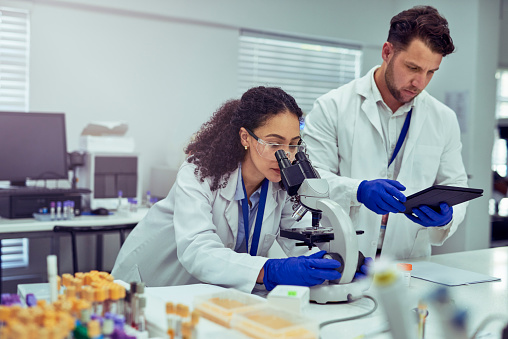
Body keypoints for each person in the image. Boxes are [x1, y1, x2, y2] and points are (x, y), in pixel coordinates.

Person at [112, 86, 367, 292]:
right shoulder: (199, 174)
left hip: (203, 293)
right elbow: (198, 250)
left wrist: (336, 259)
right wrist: (270, 270)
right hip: (150, 283)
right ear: (245, 137)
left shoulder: (280, 184)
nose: (287, 156)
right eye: (274, 143)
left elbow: (298, 245)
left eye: (293, 145)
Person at [302, 6, 468, 259]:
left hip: (409, 259)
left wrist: (448, 215)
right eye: (413, 68)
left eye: (430, 72)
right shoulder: (333, 106)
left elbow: (455, 184)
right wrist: (358, 190)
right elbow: (310, 182)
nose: (420, 82)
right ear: (387, 52)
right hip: (344, 255)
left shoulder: (443, 118)